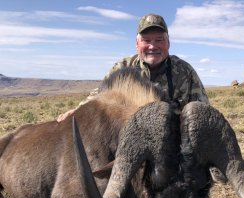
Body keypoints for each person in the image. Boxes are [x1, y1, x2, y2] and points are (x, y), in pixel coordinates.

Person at [57, 13, 209, 122]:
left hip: (173, 141)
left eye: (159, 40)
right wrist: (78, 111)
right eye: (146, 40)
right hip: (129, 137)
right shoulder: (123, 68)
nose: (152, 46)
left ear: (168, 43)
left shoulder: (184, 71)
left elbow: (202, 110)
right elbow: (100, 95)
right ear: (137, 44)